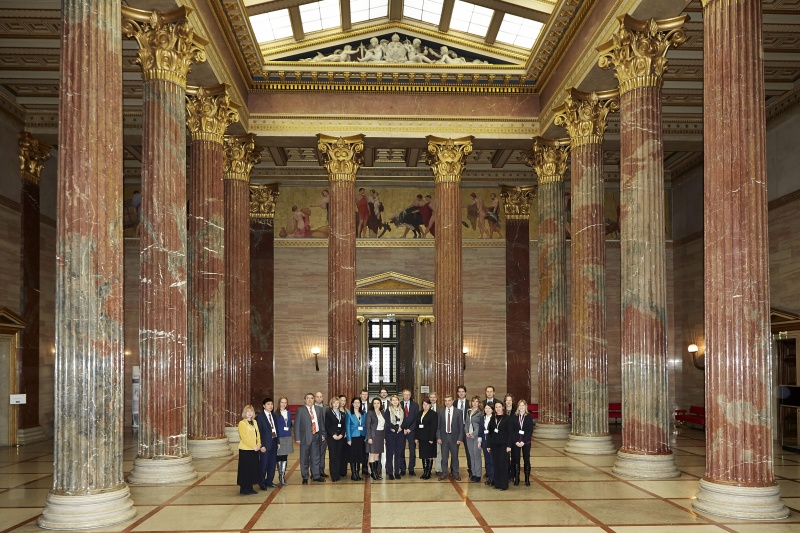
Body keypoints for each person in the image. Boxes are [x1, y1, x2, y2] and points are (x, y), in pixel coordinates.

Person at [295, 392, 327, 484]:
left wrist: (323, 434)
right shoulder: (300, 410)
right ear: (305, 400)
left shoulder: (318, 409)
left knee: (315, 457)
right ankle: (305, 476)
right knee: (304, 458)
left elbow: (321, 423)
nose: (310, 400)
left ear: (314, 400)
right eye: (308, 398)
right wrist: (297, 438)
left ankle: (316, 475)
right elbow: (296, 425)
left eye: (311, 398)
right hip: (305, 437)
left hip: (316, 436)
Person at [436, 394, 464, 481]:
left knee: (455, 457)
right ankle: (444, 473)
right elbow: (438, 426)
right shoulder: (440, 411)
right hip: (444, 438)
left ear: (452, 401)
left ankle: (455, 473)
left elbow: (461, 426)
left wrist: (460, 438)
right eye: (445, 401)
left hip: (454, 438)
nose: (447, 402)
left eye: (449, 400)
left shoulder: (458, 412)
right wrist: (438, 437)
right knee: (444, 457)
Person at [255, 397, 279, 489]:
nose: (270, 406)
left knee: (272, 464)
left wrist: (278, 441)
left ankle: (269, 481)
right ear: (263, 406)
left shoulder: (274, 415)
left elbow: (276, 430)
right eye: (268, 404)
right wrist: (261, 445)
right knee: (263, 464)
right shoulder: (260, 417)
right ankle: (261, 482)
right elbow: (258, 433)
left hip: (274, 442)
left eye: (271, 404)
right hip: (265, 444)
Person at [237, 405, 261, 495]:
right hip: (246, 449)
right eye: (248, 411)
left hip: (254, 449)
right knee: (245, 469)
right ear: (245, 413)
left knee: (253, 468)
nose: (250, 413)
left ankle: (250, 487)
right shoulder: (242, 423)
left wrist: (259, 444)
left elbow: (258, 434)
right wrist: (252, 446)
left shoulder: (254, 422)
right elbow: (244, 437)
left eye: (251, 411)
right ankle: (244, 488)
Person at [510, 399, 535, 486]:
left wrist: (523, 441)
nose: (521, 407)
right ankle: (516, 478)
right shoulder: (514, 417)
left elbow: (530, 431)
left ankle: (527, 479)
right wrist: (516, 440)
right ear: (518, 407)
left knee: (526, 459)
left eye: (523, 405)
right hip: (516, 442)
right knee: (516, 459)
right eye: (520, 405)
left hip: (526, 442)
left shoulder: (529, 417)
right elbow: (512, 430)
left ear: (526, 407)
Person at [487, 402, 511, 490]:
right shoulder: (493, 418)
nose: (498, 409)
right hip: (494, 445)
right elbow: (490, 433)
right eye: (496, 407)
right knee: (496, 464)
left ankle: (503, 484)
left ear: (503, 408)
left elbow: (510, 433)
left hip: (503, 445)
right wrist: (488, 445)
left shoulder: (507, 418)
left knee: (502, 464)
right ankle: (497, 483)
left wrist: (509, 445)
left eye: (499, 407)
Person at [414, 397, 438, 479]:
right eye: (424, 404)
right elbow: (417, 426)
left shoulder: (433, 414)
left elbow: (434, 427)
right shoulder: (419, 413)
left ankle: (428, 472)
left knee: (429, 455)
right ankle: (424, 471)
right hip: (421, 438)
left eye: (427, 404)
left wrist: (431, 438)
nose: (425, 406)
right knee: (423, 455)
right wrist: (416, 437)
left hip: (429, 438)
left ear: (430, 405)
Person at [324, 397, 346, 482]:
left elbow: (344, 426)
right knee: (332, 456)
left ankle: (338, 474)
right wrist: (333, 434)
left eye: (337, 403)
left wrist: (342, 434)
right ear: (331, 404)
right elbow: (327, 426)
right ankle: (333, 475)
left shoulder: (342, 414)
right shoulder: (328, 413)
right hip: (332, 438)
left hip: (340, 437)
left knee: (338, 455)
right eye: (334, 403)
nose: (336, 404)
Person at [399, 389, 419, 476]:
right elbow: (398, 418)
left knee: (412, 451)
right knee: (401, 450)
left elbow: (416, 419)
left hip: (412, 431)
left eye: (408, 395)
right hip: (402, 431)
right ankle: (402, 469)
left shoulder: (415, 405)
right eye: (405, 395)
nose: (406, 396)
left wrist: (410, 429)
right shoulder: (399, 404)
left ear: (410, 396)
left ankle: (411, 468)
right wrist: (403, 428)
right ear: (402, 396)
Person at [384, 394, 404, 480]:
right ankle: (390, 472)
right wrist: (395, 428)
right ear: (391, 402)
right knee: (389, 454)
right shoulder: (387, 410)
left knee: (398, 454)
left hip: (399, 434)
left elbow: (404, 421)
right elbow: (387, 422)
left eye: (396, 400)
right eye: (393, 400)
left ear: (398, 401)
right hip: (390, 434)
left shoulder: (401, 410)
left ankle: (397, 472)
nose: (395, 401)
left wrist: (400, 428)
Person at [366, 397, 386, 480]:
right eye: (375, 403)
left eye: (378, 403)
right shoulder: (370, 413)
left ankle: (376, 473)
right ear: (372, 404)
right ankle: (373, 473)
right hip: (373, 435)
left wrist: (384, 437)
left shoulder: (382, 412)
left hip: (380, 435)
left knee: (377, 454)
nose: (376, 405)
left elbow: (384, 426)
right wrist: (369, 437)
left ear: (380, 404)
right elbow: (368, 426)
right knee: (372, 454)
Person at [464, 395, 484, 482]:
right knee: (471, 456)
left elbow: (481, 426)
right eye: (473, 401)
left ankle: (478, 474)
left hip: (476, 436)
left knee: (477, 455)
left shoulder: (481, 413)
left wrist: (474, 434)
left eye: (477, 401)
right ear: (471, 402)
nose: (475, 403)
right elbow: (466, 423)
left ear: (479, 403)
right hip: (468, 436)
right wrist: (466, 432)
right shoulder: (468, 411)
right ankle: (473, 473)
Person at [346, 397, 366, 481]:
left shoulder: (363, 413)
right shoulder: (349, 414)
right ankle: (353, 474)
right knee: (353, 456)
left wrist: (366, 436)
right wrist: (348, 439)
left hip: (361, 437)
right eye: (355, 403)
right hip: (353, 437)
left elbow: (365, 426)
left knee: (359, 456)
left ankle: (357, 473)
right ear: (352, 404)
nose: (357, 404)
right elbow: (347, 427)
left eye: (358, 403)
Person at [275, 396, 293, 485]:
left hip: (287, 436)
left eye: (285, 402)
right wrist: (277, 440)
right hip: (279, 437)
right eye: (282, 402)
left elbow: (289, 424)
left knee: (285, 456)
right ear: (279, 403)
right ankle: (280, 474)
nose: (283, 404)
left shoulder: (289, 413)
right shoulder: (275, 414)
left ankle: (283, 476)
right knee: (279, 456)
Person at [455, 385, 471, 475]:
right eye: (459, 391)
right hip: (456, 430)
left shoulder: (470, 403)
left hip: (467, 430)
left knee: (468, 451)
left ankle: (471, 470)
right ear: (457, 393)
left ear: (465, 392)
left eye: (462, 391)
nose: (461, 393)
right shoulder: (454, 403)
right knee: (454, 452)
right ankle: (454, 470)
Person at [314, 391, 328, 478]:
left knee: (322, 453)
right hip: (315, 435)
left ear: (322, 398)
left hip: (324, 435)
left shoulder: (326, 408)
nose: (319, 398)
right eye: (317, 397)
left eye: (320, 397)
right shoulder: (312, 408)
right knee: (314, 454)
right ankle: (314, 471)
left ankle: (321, 470)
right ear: (315, 398)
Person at [480, 403, 494, 485]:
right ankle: (488, 474)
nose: (487, 410)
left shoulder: (494, 418)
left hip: (491, 441)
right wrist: (479, 440)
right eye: (486, 408)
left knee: (492, 460)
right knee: (487, 459)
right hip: (484, 441)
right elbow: (480, 430)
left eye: (489, 408)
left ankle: (492, 477)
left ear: (492, 409)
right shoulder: (482, 418)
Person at [428, 391, 442, 474]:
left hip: (438, 433)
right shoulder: (425, 406)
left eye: (434, 397)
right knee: (429, 451)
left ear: (436, 398)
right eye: (431, 397)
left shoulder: (441, 407)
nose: (432, 399)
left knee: (438, 451)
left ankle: (438, 469)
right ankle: (428, 469)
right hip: (428, 433)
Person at [338, 394, 350, 479]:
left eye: (344, 401)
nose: (343, 402)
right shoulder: (335, 411)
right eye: (341, 400)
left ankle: (343, 471)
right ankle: (338, 471)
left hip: (346, 436)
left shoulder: (347, 411)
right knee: (338, 453)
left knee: (345, 454)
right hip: (338, 435)